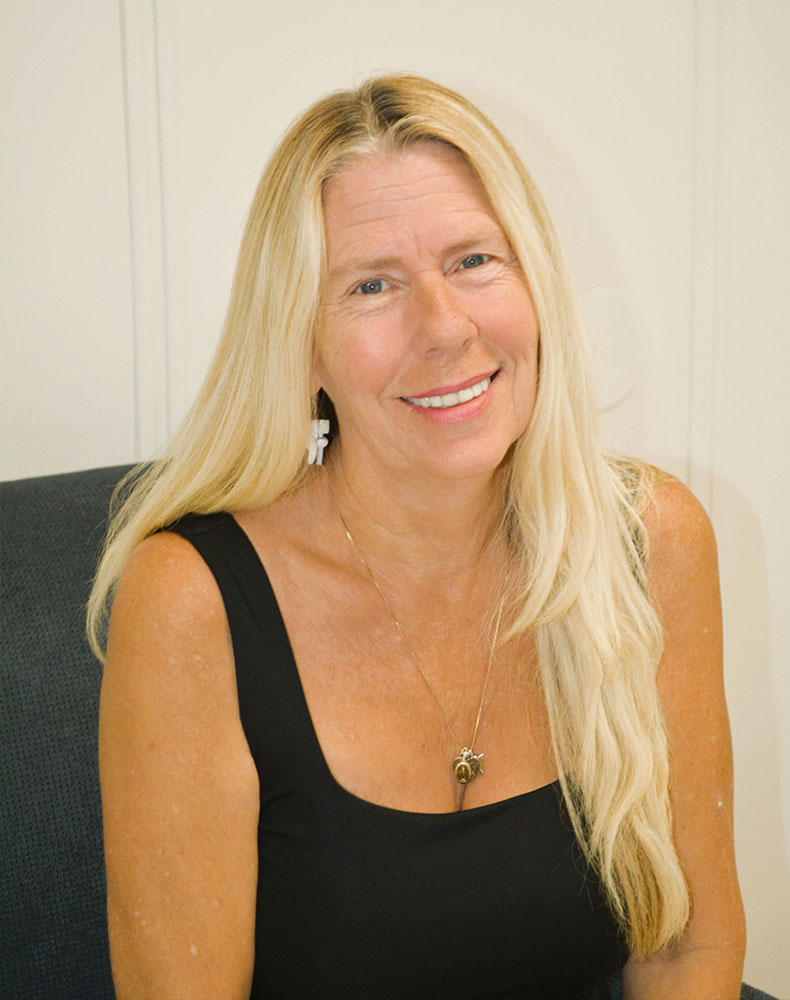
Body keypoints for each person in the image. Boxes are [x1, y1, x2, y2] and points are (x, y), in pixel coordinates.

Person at [90, 75, 745, 998]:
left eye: (474, 260)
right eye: (372, 285)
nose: (445, 327)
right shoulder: (191, 601)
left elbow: (687, 949)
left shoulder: (651, 545)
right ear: (301, 344)